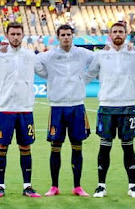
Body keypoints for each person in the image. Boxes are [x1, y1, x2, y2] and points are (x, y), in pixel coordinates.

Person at [85, 22, 135, 198]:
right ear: (109, 34)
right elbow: (88, 75)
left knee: (128, 147)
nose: (118, 34)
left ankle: (132, 186)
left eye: (121, 32)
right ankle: (101, 186)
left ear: (126, 34)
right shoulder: (100, 55)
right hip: (106, 106)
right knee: (104, 147)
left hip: (128, 106)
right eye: (114, 31)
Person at [35, 24, 95, 197]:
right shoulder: (50, 55)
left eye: (69, 34)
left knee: (77, 147)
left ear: (72, 36)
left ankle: (77, 186)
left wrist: (85, 78)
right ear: (58, 37)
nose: (66, 37)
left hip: (77, 106)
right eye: (63, 35)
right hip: (57, 107)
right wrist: (49, 77)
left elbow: (98, 61)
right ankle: (54, 186)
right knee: (55, 147)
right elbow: (35, 63)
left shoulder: (82, 53)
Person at [0, 22, 41, 198]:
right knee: (2, 146)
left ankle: (27, 186)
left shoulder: (30, 55)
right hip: (5, 108)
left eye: (18, 34)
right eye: (12, 34)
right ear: (7, 35)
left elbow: (45, 71)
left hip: (25, 108)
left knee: (25, 146)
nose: (15, 37)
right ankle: (0, 186)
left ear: (23, 36)